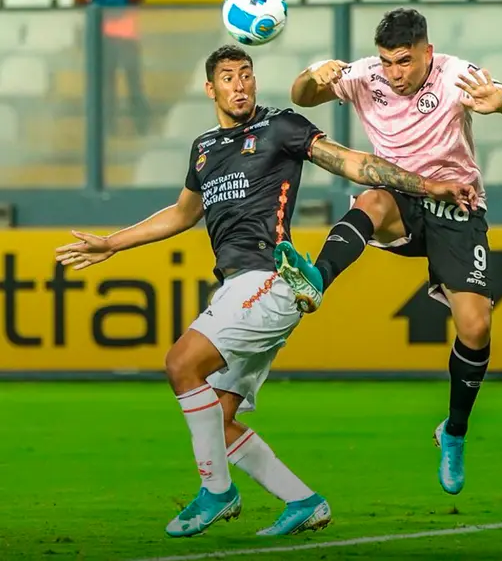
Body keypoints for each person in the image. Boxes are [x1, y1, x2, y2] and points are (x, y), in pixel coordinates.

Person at [54, 44, 476, 538]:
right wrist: (112, 244)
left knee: (180, 364)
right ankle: (303, 501)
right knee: (218, 416)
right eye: (229, 78)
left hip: (272, 278)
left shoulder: (281, 127)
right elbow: (181, 214)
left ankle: (217, 492)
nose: (240, 85)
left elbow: (354, 164)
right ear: (210, 88)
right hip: (237, 287)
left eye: (247, 74)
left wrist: (428, 185)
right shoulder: (205, 148)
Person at [272, 8, 502, 496]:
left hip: (457, 203)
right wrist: (314, 73)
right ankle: (317, 278)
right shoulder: (365, 76)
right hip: (403, 195)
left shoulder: (455, 73)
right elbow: (301, 96)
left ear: (426, 53)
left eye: (405, 62)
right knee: (372, 197)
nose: (394, 73)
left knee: (475, 327)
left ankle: (453, 431)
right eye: (388, 62)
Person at [73, 0, 151, 136]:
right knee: (134, 81)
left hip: (103, 35)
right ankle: (142, 125)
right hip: (128, 34)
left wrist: (97, 7)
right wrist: (125, 7)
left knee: (107, 83)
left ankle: (108, 126)